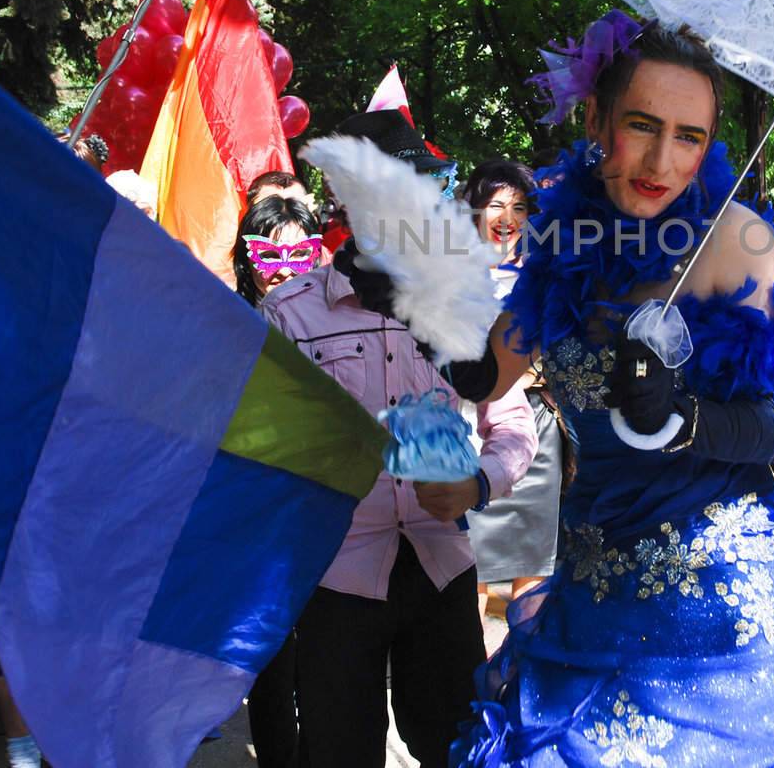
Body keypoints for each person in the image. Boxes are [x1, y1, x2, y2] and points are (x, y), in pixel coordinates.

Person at [364, 12, 774, 765]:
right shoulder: (561, 242)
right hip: (589, 604)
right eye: (641, 124)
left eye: (689, 135)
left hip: (728, 619)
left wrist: (681, 416)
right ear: (595, 118)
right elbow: (486, 373)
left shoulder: (738, 240)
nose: (663, 158)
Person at [262, 108, 537, 768]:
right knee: (337, 751)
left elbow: (514, 423)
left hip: (442, 570)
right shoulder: (288, 313)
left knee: (459, 747)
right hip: (336, 578)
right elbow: (264, 451)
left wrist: (476, 483)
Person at [230, 193, 326, 766]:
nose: (287, 271)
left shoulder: (341, 323)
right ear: (248, 259)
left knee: (324, 660)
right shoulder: (228, 324)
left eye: (302, 255)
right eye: (272, 256)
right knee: (271, 662)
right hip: (257, 522)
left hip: (325, 516)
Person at [458, 161, 563, 630]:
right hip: (471, 428)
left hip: (539, 427)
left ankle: (524, 677)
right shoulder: (447, 277)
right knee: (472, 565)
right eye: (496, 204)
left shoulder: (544, 276)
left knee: (534, 564)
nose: (508, 216)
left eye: (519, 207)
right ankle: (470, 678)